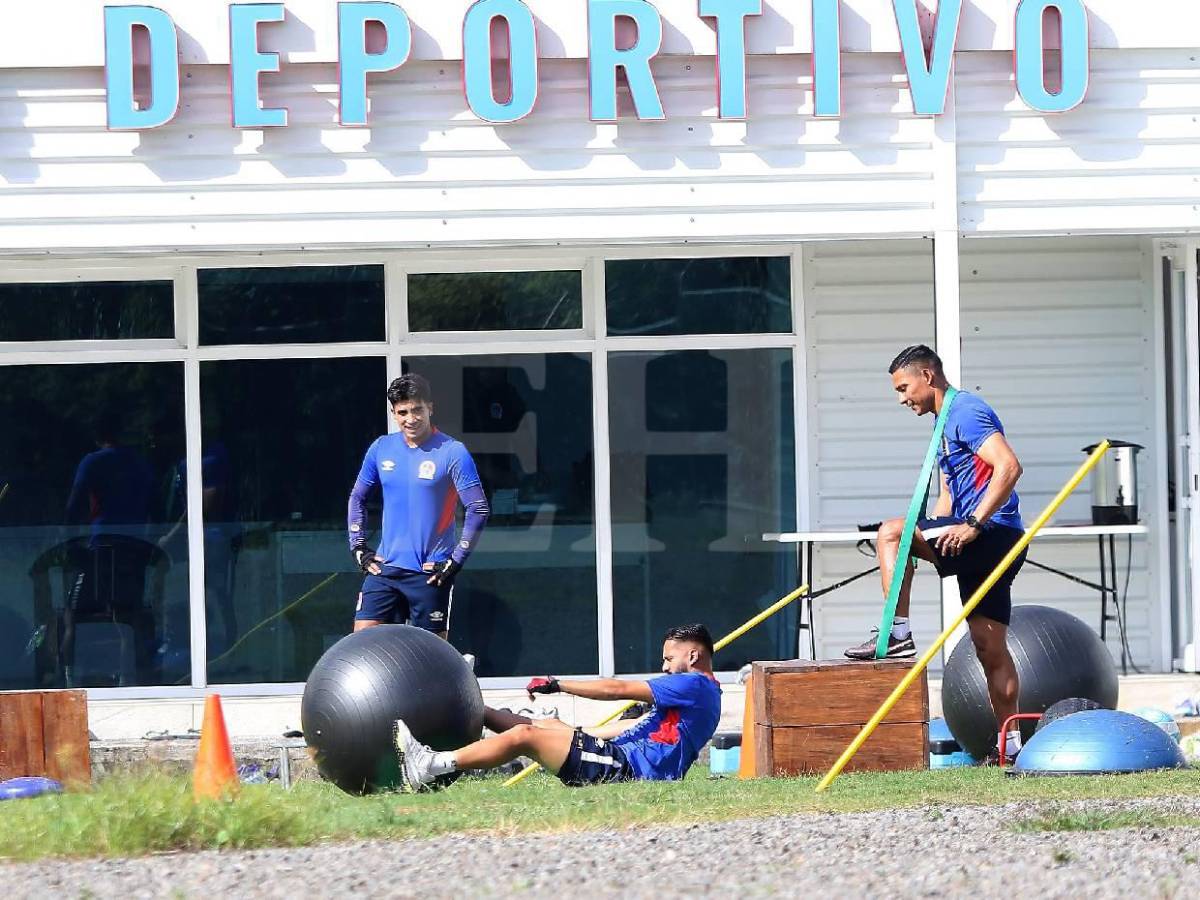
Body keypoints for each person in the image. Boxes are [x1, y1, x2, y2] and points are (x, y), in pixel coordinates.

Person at [844, 345, 1026, 764]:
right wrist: (924, 538)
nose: (902, 399)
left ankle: (898, 633)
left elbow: (1009, 466)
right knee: (989, 647)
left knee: (890, 532)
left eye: (903, 388)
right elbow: (946, 501)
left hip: (990, 533)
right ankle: (1011, 748)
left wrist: (973, 523)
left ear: (927, 376)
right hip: (989, 537)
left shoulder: (966, 412)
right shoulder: (943, 424)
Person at [392, 623, 722, 791]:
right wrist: (574, 733)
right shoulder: (702, 695)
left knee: (526, 737)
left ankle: (430, 766)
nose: (664, 667)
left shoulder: (693, 684)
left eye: (669, 658)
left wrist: (557, 684)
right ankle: (473, 705)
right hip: (620, 758)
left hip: (628, 771)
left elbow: (617, 688)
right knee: (546, 728)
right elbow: (636, 727)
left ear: (693, 655)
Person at [347, 374, 489, 639]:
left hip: (430, 573)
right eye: (403, 412)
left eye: (417, 410)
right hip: (385, 569)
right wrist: (358, 546)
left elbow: (478, 508)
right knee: (362, 643)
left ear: (430, 408)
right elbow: (357, 498)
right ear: (393, 413)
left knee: (431, 654)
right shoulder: (381, 448)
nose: (410, 419)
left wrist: (456, 560)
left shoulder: (452, 451)